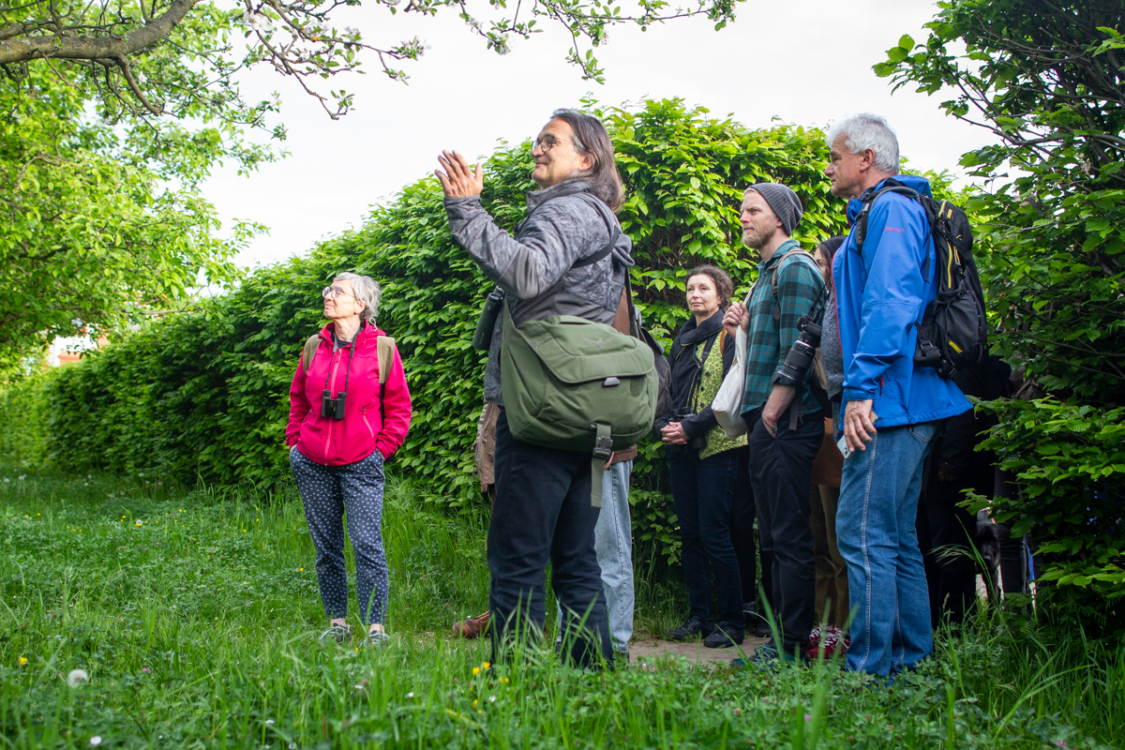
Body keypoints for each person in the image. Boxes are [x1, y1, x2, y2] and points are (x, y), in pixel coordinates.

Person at [436, 109, 633, 668]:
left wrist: (467, 212)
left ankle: (516, 691)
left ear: (586, 159)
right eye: (539, 140)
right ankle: (592, 682)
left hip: (542, 408)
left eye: (552, 141)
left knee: (518, 555)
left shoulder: (568, 210)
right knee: (575, 558)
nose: (538, 148)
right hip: (584, 413)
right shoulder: (599, 216)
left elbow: (526, 274)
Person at [824, 113, 971, 677]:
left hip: (888, 403)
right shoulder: (884, 211)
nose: (831, 167)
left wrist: (860, 392)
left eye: (836, 156)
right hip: (905, 401)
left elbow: (891, 304)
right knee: (896, 538)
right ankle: (911, 663)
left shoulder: (889, 209)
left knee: (861, 534)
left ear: (866, 158)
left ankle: (869, 669)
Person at [723, 183, 826, 665]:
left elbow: (801, 345)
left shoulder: (796, 267)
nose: (742, 217)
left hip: (786, 422)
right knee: (773, 538)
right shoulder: (765, 276)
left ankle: (791, 647)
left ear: (779, 217)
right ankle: (778, 643)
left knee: (788, 537)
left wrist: (770, 411)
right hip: (768, 424)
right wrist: (742, 323)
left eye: (752, 210)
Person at [286, 272, 413, 646]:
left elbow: (399, 408)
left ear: (360, 305)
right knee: (327, 549)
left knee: (366, 543)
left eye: (337, 291)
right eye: (329, 290)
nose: (328, 295)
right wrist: (296, 443)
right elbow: (298, 400)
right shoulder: (315, 346)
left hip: (361, 464)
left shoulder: (382, 348)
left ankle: (376, 629)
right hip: (312, 463)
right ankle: (338, 624)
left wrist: (380, 451)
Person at [656, 265, 746, 648]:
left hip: (717, 447)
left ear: (720, 295)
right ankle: (700, 617)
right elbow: (671, 388)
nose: (695, 294)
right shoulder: (683, 339)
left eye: (704, 288)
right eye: (690, 288)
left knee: (715, 534)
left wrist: (692, 427)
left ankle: (733, 622)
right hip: (681, 448)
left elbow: (731, 391)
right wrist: (666, 424)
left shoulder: (729, 334)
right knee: (690, 535)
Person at [808, 236, 849, 656]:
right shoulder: (820, 308)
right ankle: (821, 626)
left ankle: (842, 627)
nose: (818, 270)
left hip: (837, 437)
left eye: (823, 262)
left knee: (840, 547)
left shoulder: (845, 310)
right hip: (815, 438)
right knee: (818, 540)